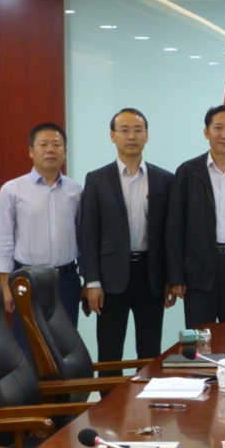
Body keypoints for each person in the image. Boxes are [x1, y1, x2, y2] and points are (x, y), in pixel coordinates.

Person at [80, 108, 175, 376]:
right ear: (113, 136)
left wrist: (171, 277)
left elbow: (169, 234)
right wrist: (92, 282)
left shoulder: (164, 179)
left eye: (137, 130)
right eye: (124, 130)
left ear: (147, 136)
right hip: (110, 278)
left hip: (151, 275)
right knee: (110, 351)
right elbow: (88, 234)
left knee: (149, 350)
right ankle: (110, 403)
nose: (131, 136)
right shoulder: (97, 179)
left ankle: (148, 400)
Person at [166, 105, 225, 329]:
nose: (224, 135)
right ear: (206, 132)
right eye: (218, 128)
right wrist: (176, 276)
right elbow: (174, 227)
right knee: (200, 339)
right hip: (199, 270)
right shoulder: (188, 172)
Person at [0, 122, 82, 355]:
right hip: (26, 279)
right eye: (43, 144)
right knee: (28, 346)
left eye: (56, 145)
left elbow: (83, 238)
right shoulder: (12, 190)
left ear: (65, 151)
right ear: (31, 151)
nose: (50, 149)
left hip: (66, 279)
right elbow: (3, 241)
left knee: (66, 348)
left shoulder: (76, 191)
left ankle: (62, 383)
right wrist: (5, 286)